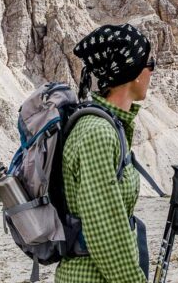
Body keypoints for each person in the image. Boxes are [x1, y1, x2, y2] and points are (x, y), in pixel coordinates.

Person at [55, 23, 156, 283]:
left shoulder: (110, 125)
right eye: (149, 63)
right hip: (90, 277)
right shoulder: (98, 132)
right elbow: (105, 231)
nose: (152, 71)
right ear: (133, 71)